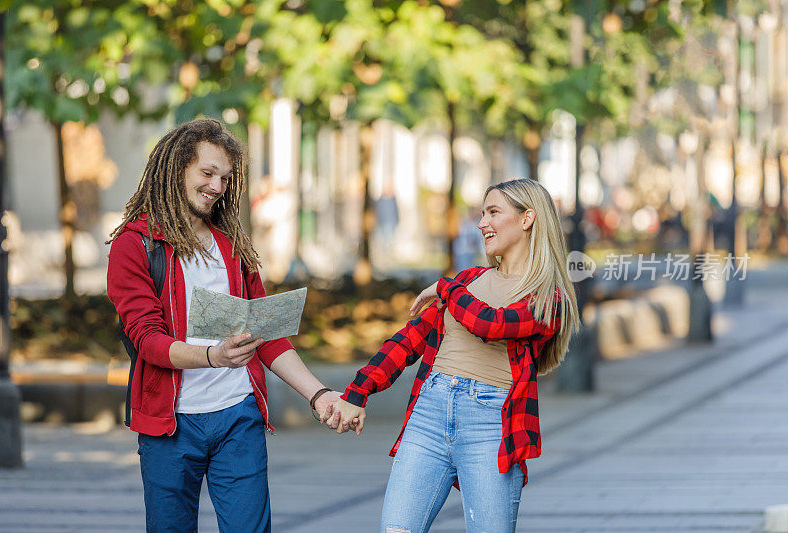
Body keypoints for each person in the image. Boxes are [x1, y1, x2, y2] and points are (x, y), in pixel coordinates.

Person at [106, 118, 341, 533]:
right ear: (177, 168)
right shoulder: (135, 243)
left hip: (238, 416)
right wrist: (213, 356)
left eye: (226, 178)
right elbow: (149, 341)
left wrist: (318, 394)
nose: (217, 186)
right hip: (170, 424)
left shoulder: (230, 245)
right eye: (207, 172)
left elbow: (265, 336)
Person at [323, 178, 579, 532]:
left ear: (527, 218)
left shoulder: (548, 298)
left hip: (491, 427)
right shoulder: (469, 281)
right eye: (481, 213)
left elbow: (490, 324)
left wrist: (445, 286)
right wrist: (357, 393)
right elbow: (408, 340)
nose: (481, 223)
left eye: (493, 212)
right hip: (428, 415)